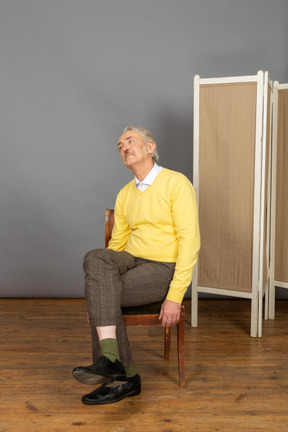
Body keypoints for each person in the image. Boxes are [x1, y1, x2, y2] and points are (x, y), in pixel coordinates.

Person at [72, 126, 200, 405]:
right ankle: (113, 364)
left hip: (163, 267)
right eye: (119, 146)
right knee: (95, 256)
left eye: (130, 141)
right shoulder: (125, 193)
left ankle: (124, 378)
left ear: (150, 147)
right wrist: (100, 285)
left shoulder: (177, 183)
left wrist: (175, 296)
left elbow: (190, 241)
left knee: (104, 299)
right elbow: (116, 244)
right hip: (131, 260)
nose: (124, 147)